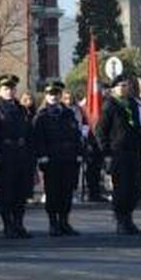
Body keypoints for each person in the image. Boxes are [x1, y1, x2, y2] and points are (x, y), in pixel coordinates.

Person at [96, 74, 141, 235]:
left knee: (134, 187)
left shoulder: (132, 103)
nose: (124, 88)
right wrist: (106, 153)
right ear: (113, 89)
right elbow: (101, 131)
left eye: (126, 85)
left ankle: (129, 218)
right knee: (122, 187)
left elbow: (139, 124)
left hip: (134, 151)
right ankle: (121, 220)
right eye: (120, 86)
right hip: (118, 152)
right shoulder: (110, 105)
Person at [0, 74, 35, 238]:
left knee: (21, 192)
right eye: (6, 89)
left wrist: (29, 152)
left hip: (21, 153)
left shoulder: (21, 109)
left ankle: (19, 223)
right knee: (7, 191)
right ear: (0, 90)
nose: (10, 92)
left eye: (12, 88)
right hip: (6, 153)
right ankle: (8, 224)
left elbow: (28, 132)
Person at [33, 80, 83, 236]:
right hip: (51, 159)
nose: (53, 97)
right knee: (53, 192)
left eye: (56, 94)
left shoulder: (68, 113)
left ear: (61, 95)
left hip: (68, 158)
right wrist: (42, 156)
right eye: (50, 94)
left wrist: (79, 153)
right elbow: (37, 139)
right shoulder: (42, 116)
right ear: (46, 96)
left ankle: (64, 221)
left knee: (67, 191)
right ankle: (53, 223)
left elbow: (76, 135)